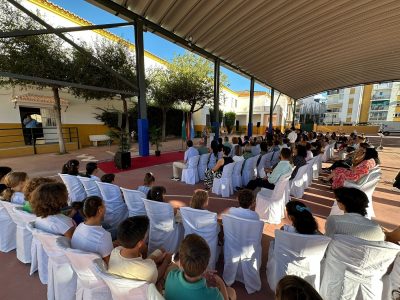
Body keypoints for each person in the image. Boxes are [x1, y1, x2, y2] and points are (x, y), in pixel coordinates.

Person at [165, 234, 236, 300]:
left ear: (180, 263)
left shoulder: (170, 276)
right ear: (206, 266)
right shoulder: (214, 294)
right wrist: (220, 281)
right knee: (231, 292)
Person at [108, 216, 173, 286]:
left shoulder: (115, 251)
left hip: (119, 290)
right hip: (142, 292)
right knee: (171, 265)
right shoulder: (148, 268)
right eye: (145, 237)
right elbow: (157, 276)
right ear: (139, 243)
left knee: (161, 251)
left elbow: (138, 264)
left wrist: (155, 260)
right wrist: (166, 261)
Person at [71, 196, 113, 263]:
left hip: (80, 265)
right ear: (100, 210)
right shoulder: (103, 235)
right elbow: (110, 263)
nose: (106, 208)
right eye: (104, 206)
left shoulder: (80, 226)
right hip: (96, 270)